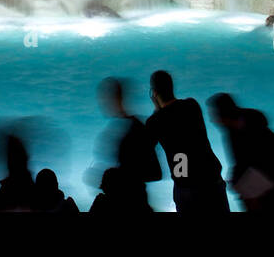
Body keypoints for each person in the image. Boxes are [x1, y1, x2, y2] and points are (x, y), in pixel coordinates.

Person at [145, 70, 229, 213]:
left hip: (186, 185)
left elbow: (147, 148)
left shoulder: (154, 122)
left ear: (154, 93)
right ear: (171, 88)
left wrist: (156, 109)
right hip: (211, 179)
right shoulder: (192, 105)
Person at [207, 94, 274, 213]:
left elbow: (268, 166)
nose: (212, 120)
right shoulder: (234, 133)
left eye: (214, 114)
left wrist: (249, 189)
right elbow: (242, 164)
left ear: (223, 113)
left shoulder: (256, 133)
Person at [86, 78, 160, 209]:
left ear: (116, 98)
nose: (102, 103)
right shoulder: (126, 128)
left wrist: (115, 177)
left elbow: (154, 172)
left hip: (132, 203)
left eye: (105, 99)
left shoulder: (135, 129)